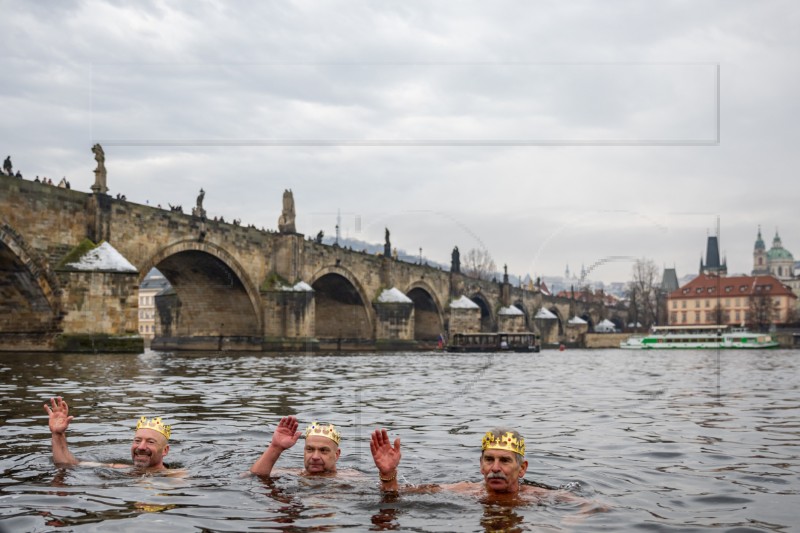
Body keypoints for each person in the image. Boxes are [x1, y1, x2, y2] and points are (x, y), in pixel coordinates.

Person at [370, 427, 606, 511]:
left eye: (504, 461)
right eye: (489, 460)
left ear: (521, 469)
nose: (495, 468)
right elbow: (397, 496)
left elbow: (596, 507)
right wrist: (387, 475)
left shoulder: (536, 497)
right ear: (480, 465)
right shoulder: (464, 491)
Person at [43, 396, 172, 472]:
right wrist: (57, 435)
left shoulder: (176, 478)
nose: (141, 447)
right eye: (137, 441)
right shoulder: (122, 469)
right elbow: (67, 464)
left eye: (150, 442)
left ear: (165, 450)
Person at [250, 416, 343, 477]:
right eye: (310, 449)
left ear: (337, 454)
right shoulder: (293, 474)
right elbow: (253, 476)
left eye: (323, 450)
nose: (315, 457)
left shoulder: (350, 479)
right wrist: (275, 447)